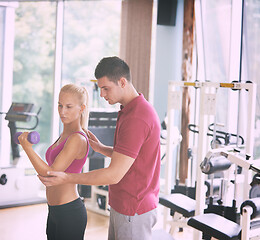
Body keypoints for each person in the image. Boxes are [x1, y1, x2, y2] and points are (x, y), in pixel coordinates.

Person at [38, 56, 161, 240]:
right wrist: (103, 149)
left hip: (133, 209)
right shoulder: (128, 110)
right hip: (123, 205)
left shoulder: (137, 117)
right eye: (100, 88)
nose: (102, 95)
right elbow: (131, 157)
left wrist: (67, 178)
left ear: (122, 82)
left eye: (106, 88)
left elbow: (113, 174)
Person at [18, 83, 90, 240]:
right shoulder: (64, 136)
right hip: (54, 210)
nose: (62, 111)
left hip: (69, 212)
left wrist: (28, 148)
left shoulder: (77, 139)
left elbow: (50, 174)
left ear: (82, 108)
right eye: (60, 105)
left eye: (69, 107)